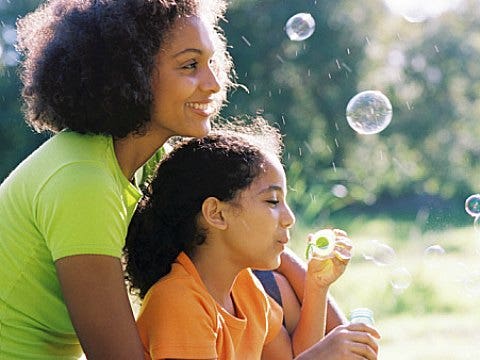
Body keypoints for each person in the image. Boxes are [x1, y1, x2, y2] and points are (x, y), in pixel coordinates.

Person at [0, 0, 234, 358]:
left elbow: (240, 245)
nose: (214, 84)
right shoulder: (83, 182)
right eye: (190, 65)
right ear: (130, 72)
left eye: (211, 63)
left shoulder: (149, 159)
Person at [124, 121, 381, 359]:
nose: (289, 218)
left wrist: (316, 286)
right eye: (272, 201)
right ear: (217, 213)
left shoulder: (245, 290)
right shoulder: (178, 301)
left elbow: (293, 355)